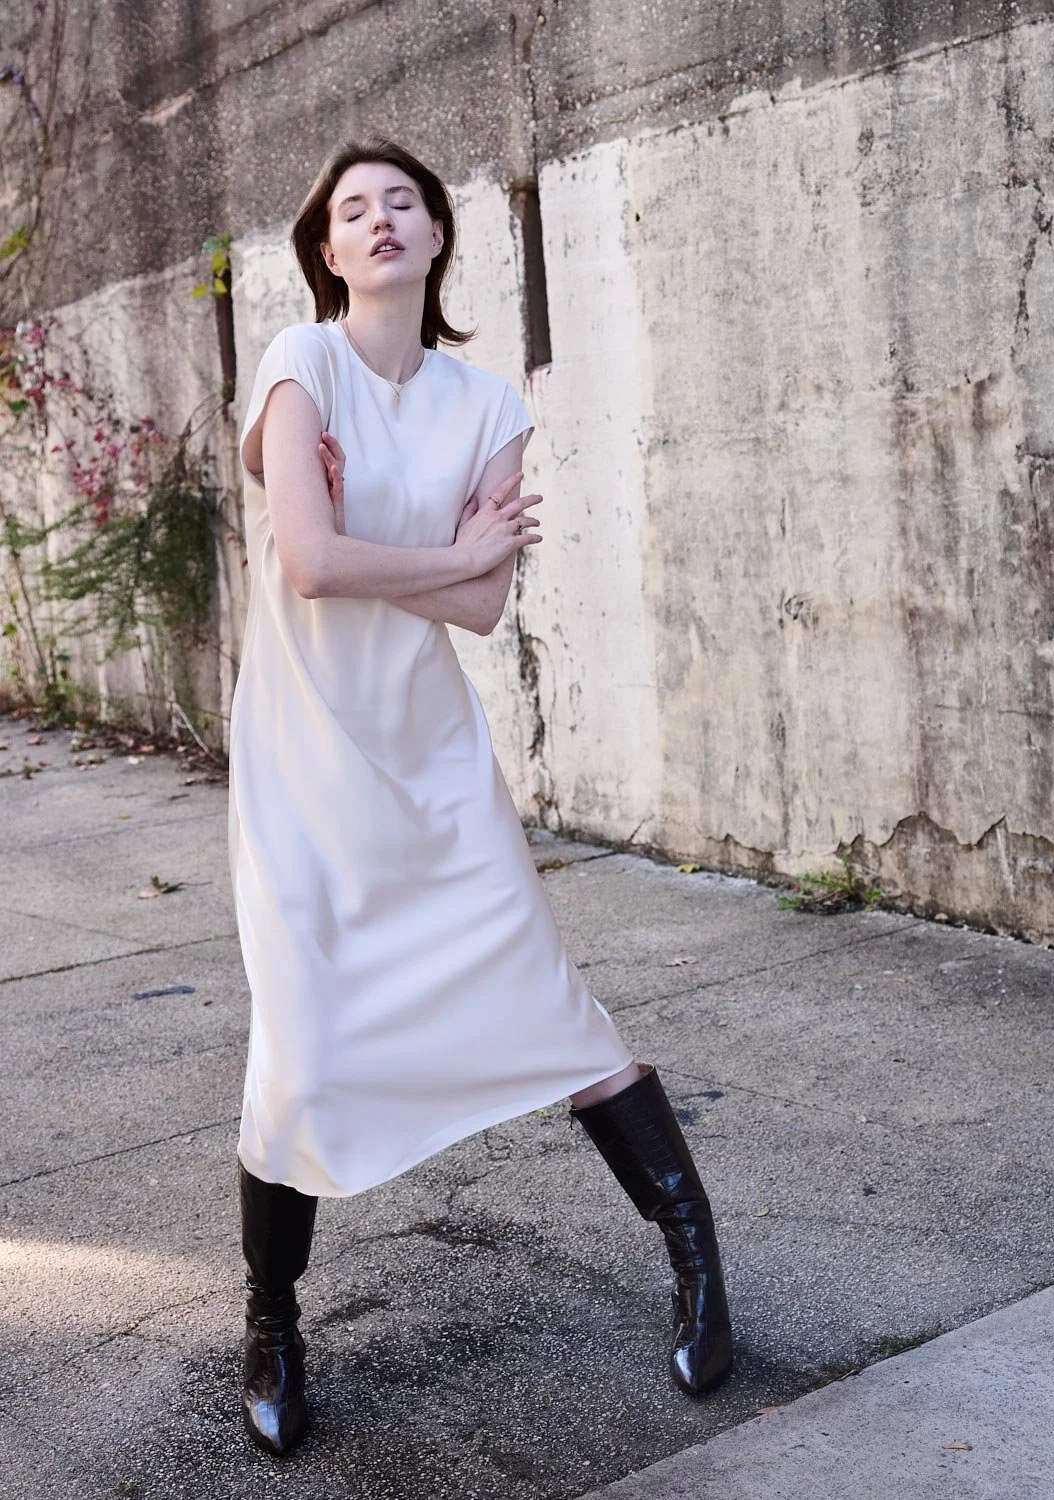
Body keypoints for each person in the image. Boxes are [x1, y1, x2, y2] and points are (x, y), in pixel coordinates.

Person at [230, 135, 733, 1457]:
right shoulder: (300, 368)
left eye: (405, 202)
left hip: (432, 762)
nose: (382, 221)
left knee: (552, 1011)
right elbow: (310, 563)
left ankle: (696, 1258)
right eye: (354, 208)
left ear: (441, 236)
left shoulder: (485, 407)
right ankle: (271, 1317)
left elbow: (486, 601)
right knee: (303, 1042)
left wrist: (421, 559)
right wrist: (435, 553)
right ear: (326, 251)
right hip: (302, 757)